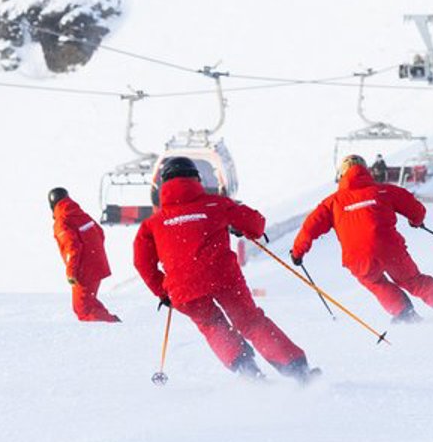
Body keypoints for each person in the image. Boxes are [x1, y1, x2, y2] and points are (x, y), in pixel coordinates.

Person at [133, 157, 317, 383]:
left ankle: (248, 372)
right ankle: (298, 370)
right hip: (223, 278)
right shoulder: (216, 204)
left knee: (212, 325)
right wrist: (237, 225)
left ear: (163, 185)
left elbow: (142, 263)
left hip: (182, 290)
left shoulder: (152, 223)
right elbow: (256, 226)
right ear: (196, 179)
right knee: (250, 322)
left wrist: (163, 292)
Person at [292, 155, 433, 323]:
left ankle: (404, 312)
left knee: (375, 282)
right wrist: (416, 221)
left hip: (358, 257)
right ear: (367, 171)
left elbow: (310, 228)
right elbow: (415, 208)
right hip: (390, 250)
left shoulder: (332, 203)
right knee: (413, 280)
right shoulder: (384, 190)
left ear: (341, 176)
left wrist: (298, 253)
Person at [50, 186, 119, 323]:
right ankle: (111, 321)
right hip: (96, 265)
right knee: (89, 302)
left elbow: (72, 246)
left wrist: (71, 272)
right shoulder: (81, 214)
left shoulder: (62, 221)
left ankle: (110, 326)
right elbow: (99, 232)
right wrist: (94, 254)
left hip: (83, 269)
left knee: (83, 308)